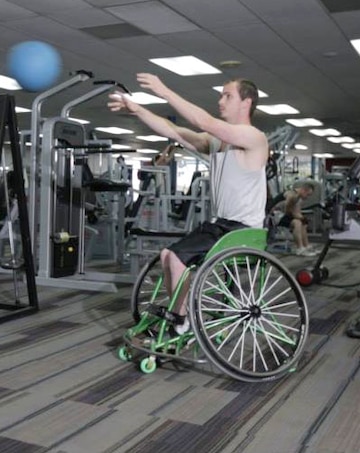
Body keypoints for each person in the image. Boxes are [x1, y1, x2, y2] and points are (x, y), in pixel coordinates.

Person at [109, 74, 268, 332]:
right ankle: (181, 314)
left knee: (176, 260)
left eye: (228, 95)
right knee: (167, 255)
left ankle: (181, 319)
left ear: (246, 103)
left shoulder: (254, 138)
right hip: (221, 225)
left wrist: (164, 91)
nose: (221, 100)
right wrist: (137, 109)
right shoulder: (218, 142)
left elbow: (204, 121)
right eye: (221, 95)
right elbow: (173, 130)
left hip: (243, 230)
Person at [275, 181, 317, 256]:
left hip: (283, 214)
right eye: (307, 195)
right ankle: (299, 248)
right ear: (303, 190)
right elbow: (288, 211)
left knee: (303, 223)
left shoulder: (299, 198)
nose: (307, 197)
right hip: (274, 215)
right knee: (297, 223)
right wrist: (299, 217)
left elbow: (297, 212)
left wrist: (303, 219)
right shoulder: (291, 195)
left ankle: (306, 246)